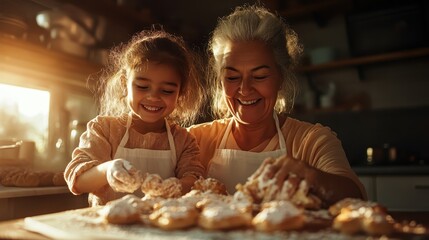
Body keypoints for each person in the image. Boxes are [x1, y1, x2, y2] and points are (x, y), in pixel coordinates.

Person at [188, 5, 366, 206]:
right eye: (232, 76)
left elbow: (355, 197)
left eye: (260, 76)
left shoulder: (311, 142)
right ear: (220, 80)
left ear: (280, 77)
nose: (245, 89)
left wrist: (311, 176)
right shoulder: (194, 141)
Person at [64, 29, 205, 206]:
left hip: (160, 229)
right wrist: (108, 170)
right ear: (125, 84)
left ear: (181, 93)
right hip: (109, 229)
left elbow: (195, 182)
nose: (153, 97)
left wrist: (172, 187)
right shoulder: (105, 129)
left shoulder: (183, 141)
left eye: (167, 90)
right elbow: (77, 180)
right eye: (142, 86)